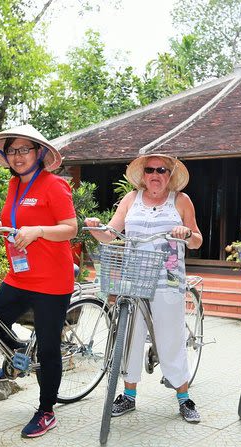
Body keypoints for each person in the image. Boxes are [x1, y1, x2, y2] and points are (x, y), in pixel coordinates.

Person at [0, 124, 78, 438]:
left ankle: (46, 411)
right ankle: (19, 352)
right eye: (12, 150)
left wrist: (40, 231)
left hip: (51, 280)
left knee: (47, 348)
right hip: (19, 274)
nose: (17, 156)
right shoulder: (14, 186)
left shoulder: (54, 185)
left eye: (24, 150)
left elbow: (70, 227)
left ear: (39, 153)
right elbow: (13, 222)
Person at [85, 153, 204, 422]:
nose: (156, 175)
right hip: (134, 279)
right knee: (130, 337)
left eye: (162, 170)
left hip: (168, 279)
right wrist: (95, 228)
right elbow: (111, 233)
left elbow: (197, 240)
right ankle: (129, 396)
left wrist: (186, 234)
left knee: (171, 337)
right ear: (143, 174)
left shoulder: (181, 201)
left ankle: (183, 398)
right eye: (150, 169)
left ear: (170, 175)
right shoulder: (131, 199)